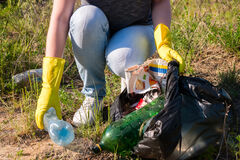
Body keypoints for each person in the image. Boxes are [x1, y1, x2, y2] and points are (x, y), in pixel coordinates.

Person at [35, 0, 185, 129]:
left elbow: (160, 2)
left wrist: (163, 42)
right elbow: (60, 17)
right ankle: (93, 95)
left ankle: (130, 85)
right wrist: (49, 85)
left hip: (137, 27)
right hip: (93, 24)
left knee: (122, 59)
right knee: (84, 20)